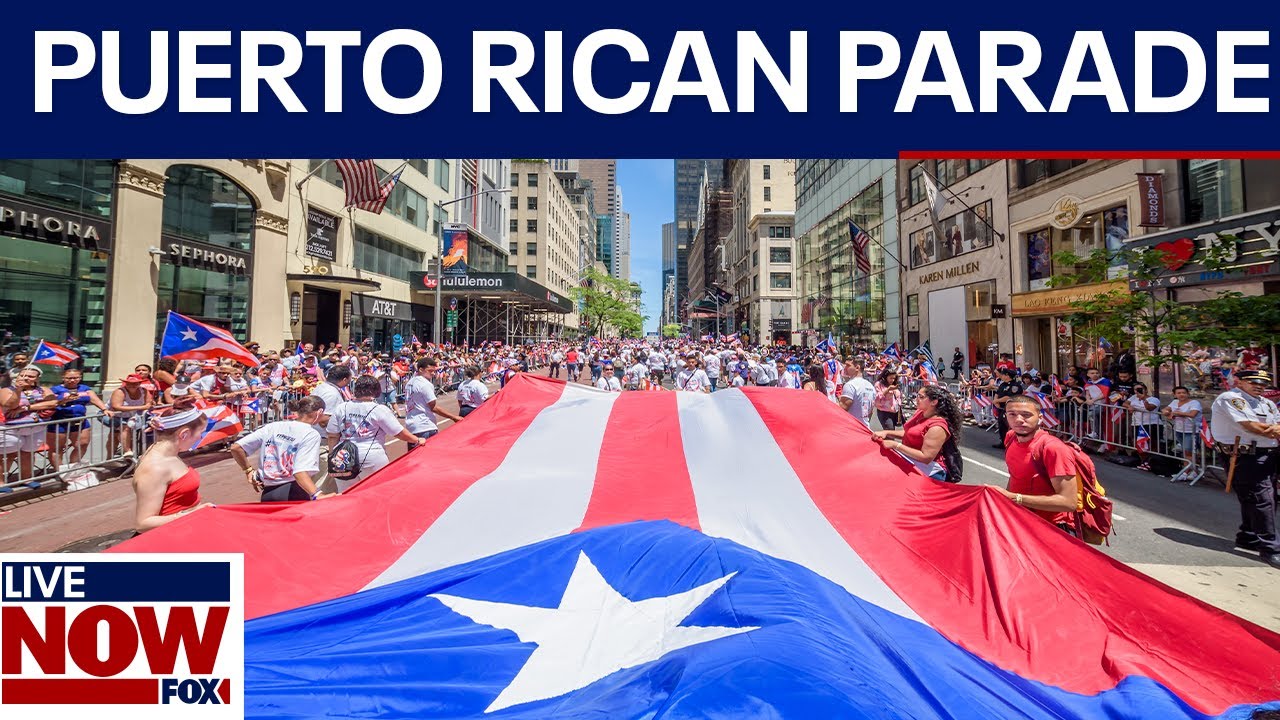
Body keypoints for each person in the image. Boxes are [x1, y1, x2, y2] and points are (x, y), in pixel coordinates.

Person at [1209, 369, 1280, 569]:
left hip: (1268, 454)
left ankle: (1248, 536)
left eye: (1262, 383)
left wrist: (1271, 429)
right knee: (1262, 499)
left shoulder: (1267, 403)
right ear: (1239, 382)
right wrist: (1271, 429)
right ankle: (1270, 548)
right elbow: (1251, 426)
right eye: (1253, 382)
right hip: (1244, 455)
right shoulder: (1231, 398)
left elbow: (1272, 426)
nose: (1259, 386)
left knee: (1259, 497)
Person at [988, 395, 1083, 536]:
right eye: (1012, 414)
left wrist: (1015, 498)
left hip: (1053, 529)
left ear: (1040, 417)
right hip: (1022, 524)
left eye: (1026, 415)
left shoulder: (1053, 448)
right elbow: (1015, 476)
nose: (1018, 420)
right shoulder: (1011, 437)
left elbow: (1068, 502)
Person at [327, 375, 426, 492]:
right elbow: (398, 432)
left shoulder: (341, 407)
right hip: (371, 454)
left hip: (343, 454)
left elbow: (332, 434)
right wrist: (416, 440)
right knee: (378, 491)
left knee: (346, 493)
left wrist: (332, 455)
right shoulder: (379, 409)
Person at [230, 396, 330, 502]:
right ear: (319, 412)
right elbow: (300, 471)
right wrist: (316, 494)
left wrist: (248, 470)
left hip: (268, 493)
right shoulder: (311, 434)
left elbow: (236, 447)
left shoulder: (273, 426)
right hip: (293, 491)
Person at [131, 409, 214, 532]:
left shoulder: (169, 453)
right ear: (184, 434)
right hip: (173, 536)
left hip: (186, 528)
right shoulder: (155, 467)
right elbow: (143, 523)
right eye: (201, 432)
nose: (201, 437)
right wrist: (193, 513)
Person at [872, 385, 963, 482]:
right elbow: (910, 433)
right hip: (911, 463)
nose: (917, 399)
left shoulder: (938, 427)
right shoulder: (920, 412)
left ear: (934, 402)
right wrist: (886, 432)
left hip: (928, 473)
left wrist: (896, 445)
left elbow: (926, 457)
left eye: (921, 397)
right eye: (917, 395)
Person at [47, 367, 112, 473]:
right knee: (57, 448)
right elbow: (50, 403)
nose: (72, 380)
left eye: (75, 378)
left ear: (80, 378)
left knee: (82, 444)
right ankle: (59, 471)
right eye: (69, 378)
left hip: (80, 421)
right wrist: (63, 400)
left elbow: (94, 399)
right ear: (63, 378)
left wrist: (104, 409)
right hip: (59, 422)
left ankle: (73, 468)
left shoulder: (85, 388)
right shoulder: (55, 389)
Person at [0, 366, 59, 483]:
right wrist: (18, 390)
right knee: (5, 456)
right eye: (23, 375)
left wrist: (26, 408)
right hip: (11, 429)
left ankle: (26, 479)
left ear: (37, 379)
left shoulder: (43, 390)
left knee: (28, 453)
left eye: (30, 376)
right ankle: (1, 482)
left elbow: (53, 402)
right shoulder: (6, 390)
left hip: (36, 427)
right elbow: (10, 405)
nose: (26, 377)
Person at [404, 357, 462, 441]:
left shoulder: (410, 382)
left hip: (412, 425)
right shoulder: (425, 384)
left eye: (434, 371)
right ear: (421, 369)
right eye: (430, 371)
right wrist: (453, 417)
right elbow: (433, 407)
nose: (433, 373)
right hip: (425, 425)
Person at [1162, 385, 1203, 482]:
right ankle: (1193, 470)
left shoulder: (1194, 403)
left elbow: (1193, 414)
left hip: (1192, 431)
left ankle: (1186, 471)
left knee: (1189, 451)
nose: (1181, 395)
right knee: (1185, 451)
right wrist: (1167, 412)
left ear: (1188, 394)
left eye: (1183, 393)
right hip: (1179, 430)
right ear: (1174, 394)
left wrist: (1178, 414)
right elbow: (1165, 409)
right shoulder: (1175, 402)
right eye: (1179, 393)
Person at [109, 373, 153, 456]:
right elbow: (116, 406)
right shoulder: (119, 391)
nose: (132, 385)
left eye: (135, 383)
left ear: (139, 383)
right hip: (114, 415)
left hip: (133, 416)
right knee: (123, 429)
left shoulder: (144, 391)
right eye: (129, 383)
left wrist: (145, 407)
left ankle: (137, 454)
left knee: (135, 432)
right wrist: (141, 407)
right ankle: (126, 451)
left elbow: (149, 404)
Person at [1126, 383, 1162, 471]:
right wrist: (1129, 406)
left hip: (1151, 423)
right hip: (1137, 423)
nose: (1137, 391)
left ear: (1145, 390)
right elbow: (1125, 404)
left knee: (1152, 443)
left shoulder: (1154, 399)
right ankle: (1144, 462)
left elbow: (1149, 408)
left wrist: (1144, 399)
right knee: (1138, 443)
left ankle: (1152, 462)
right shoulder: (1133, 398)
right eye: (1136, 390)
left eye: (1140, 389)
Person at [991, 367, 1024, 449]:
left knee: (1011, 426)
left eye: (1003, 374)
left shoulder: (1015, 386)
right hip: (1001, 408)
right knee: (1001, 426)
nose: (1001, 376)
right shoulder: (1002, 384)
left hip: (1011, 408)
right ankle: (1003, 442)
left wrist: (997, 401)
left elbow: (1009, 397)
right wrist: (996, 401)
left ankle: (1014, 443)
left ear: (1007, 375)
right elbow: (997, 393)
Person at [839, 360, 875, 428]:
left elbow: (842, 408)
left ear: (857, 368)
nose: (845, 367)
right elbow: (871, 411)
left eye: (848, 365)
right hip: (865, 427)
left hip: (851, 427)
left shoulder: (850, 385)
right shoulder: (870, 386)